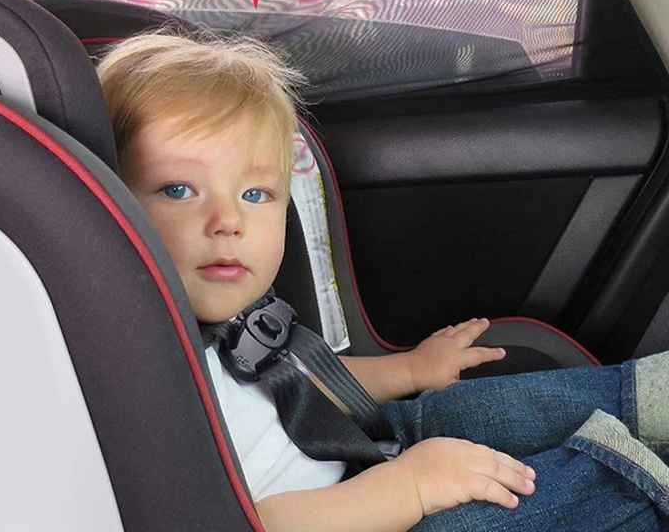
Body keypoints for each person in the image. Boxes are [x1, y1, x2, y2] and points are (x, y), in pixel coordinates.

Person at [97, 30, 669, 532]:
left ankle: (646, 398)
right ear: (105, 203)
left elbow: (300, 386)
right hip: (329, 513)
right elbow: (248, 522)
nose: (228, 221)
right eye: (178, 190)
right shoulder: (137, 372)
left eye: (255, 194)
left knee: (472, 411)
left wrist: (409, 371)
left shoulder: (231, 327)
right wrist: (410, 487)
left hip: (349, 450)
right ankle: (638, 487)